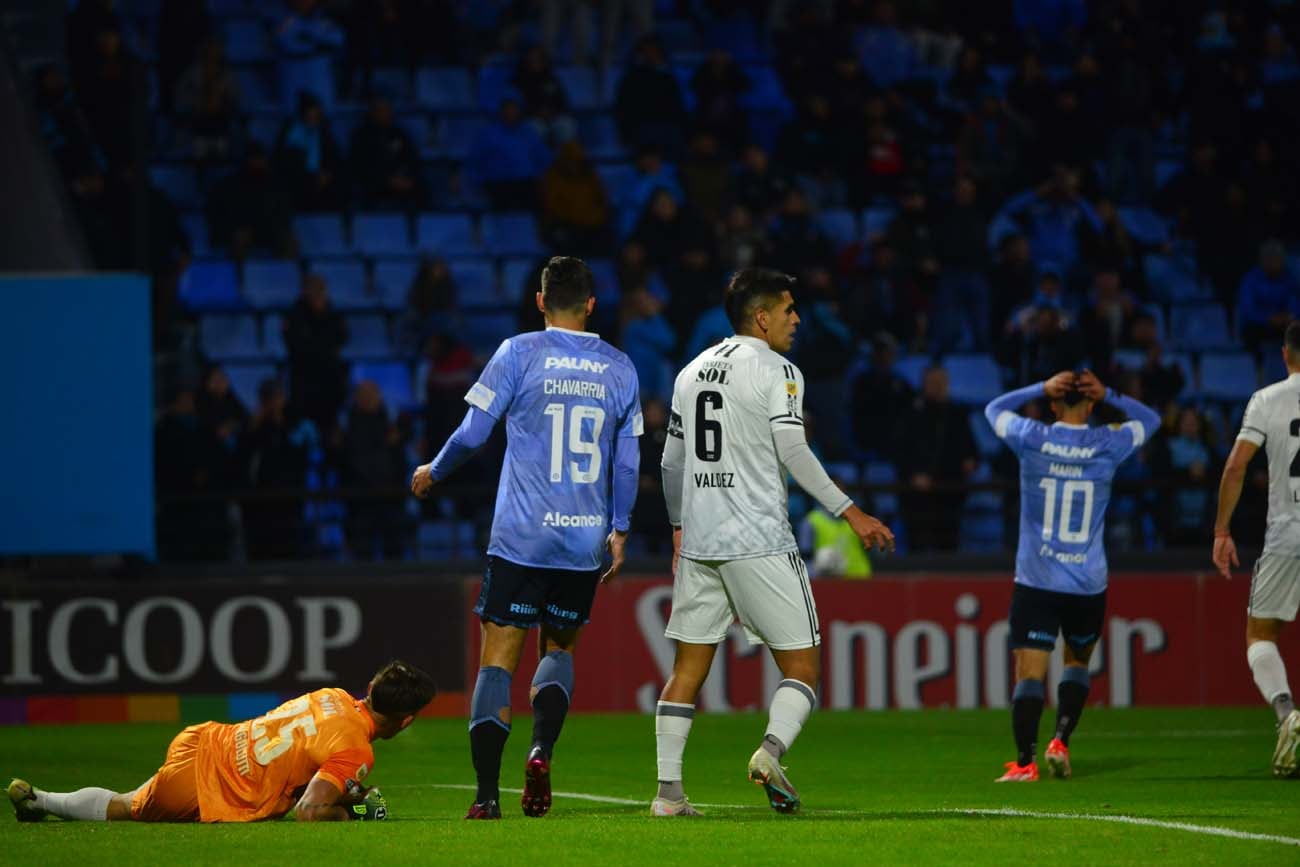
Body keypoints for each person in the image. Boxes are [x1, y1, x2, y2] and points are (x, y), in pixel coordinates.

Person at [652, 268, 893, 817]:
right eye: (789, 310)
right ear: (762, 317)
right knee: (803, 669)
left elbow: (671, 463)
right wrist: (850, 511)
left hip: (701, 540)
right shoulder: (779, 370)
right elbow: (794, 451)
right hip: (758, 537)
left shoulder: (689, 373)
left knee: (687, 669)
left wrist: (677, 525)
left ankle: (668, 795)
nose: (797, 319)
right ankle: (770, 751)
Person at [409, 257, 643, 819]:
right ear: (590, 304)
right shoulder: (619, 367)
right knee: (558, 649)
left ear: (540, 301)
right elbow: (630, 462)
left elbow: (473, 433)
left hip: (521, 539)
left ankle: (488, 795)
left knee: (497, 662)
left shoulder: (518, 352)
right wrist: (621, 527)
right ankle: (542, 750)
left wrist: (434, 471)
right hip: (583, 540)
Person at [983, 369, 1159, 782]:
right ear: (1093, 403)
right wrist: (1114, 392)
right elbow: (1151, 420)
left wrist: (1036, 385)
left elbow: (993, 409)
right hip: (1087, 582)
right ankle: (1061, 741)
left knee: (1029, 673)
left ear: (1053, 403)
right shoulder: (1108, 443)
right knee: (1077, 663)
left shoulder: (1031, 437)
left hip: (1037, 580)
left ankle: (1025, 763)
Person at [7, 660, 435, 823]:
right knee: (125, 807)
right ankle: (40, 800)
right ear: (407, 720)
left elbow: (300, 764)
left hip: (208, 740)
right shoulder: (356, 749)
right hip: (212, 783)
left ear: (369, 687)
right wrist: (356, 811)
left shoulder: (332, 697)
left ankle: (37, 803)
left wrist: (348, 796)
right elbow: (309, 811)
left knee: (133, 795)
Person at [1212, 320, 1300, 777]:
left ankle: (1287, 713)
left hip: (1288, 532)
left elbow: (1235, 467)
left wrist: (1222, 531)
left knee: (1260, 634)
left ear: (1286, 355)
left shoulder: (1267, 400)